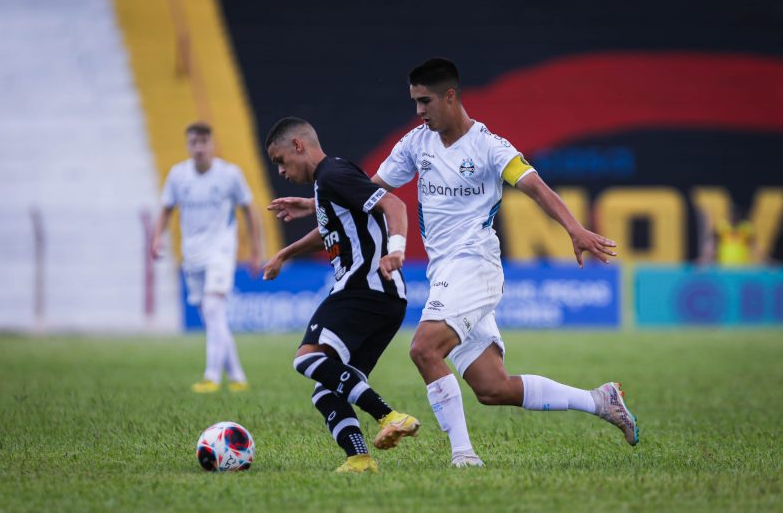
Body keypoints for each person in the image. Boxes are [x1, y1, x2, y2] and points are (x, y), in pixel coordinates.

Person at [268, 59, 638, 467]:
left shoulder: (490, 147)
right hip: (444, 271)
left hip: (475, 264)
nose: (419, 111)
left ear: (450, 96)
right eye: (414, 102)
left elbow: (537, 188)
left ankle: (464, 457)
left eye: (425, 101)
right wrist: (314, 202)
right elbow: (367, 193)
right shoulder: (416, 143)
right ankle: (599, 400)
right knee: (491, 387)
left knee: (424, 348)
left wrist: (575, 229)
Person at [262, 117, 419, 474]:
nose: (282, 171)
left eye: (281, 160)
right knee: (327, 391)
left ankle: (389, 416)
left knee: (306, 359)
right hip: (385, 299)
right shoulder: (327, 184)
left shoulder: (332, 174)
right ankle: (360, 460)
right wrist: (285, 254)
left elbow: (395, 206)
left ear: (298, 145)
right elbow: (330, 230)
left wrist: (396, 249)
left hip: (364, 288)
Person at [151, 122, 263, 393]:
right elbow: (166, 208)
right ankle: (237, 375)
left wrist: (256, 250)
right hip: (192, 254)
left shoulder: (230, 174)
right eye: (194, 143)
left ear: (212, 144)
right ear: (188, 145)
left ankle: (211, 376)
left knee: (213, 310)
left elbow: (250, 210)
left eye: (203, 142)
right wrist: (156, 237)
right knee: (213, 316)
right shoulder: (178, 176)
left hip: (221, 251)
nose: (199, 148)